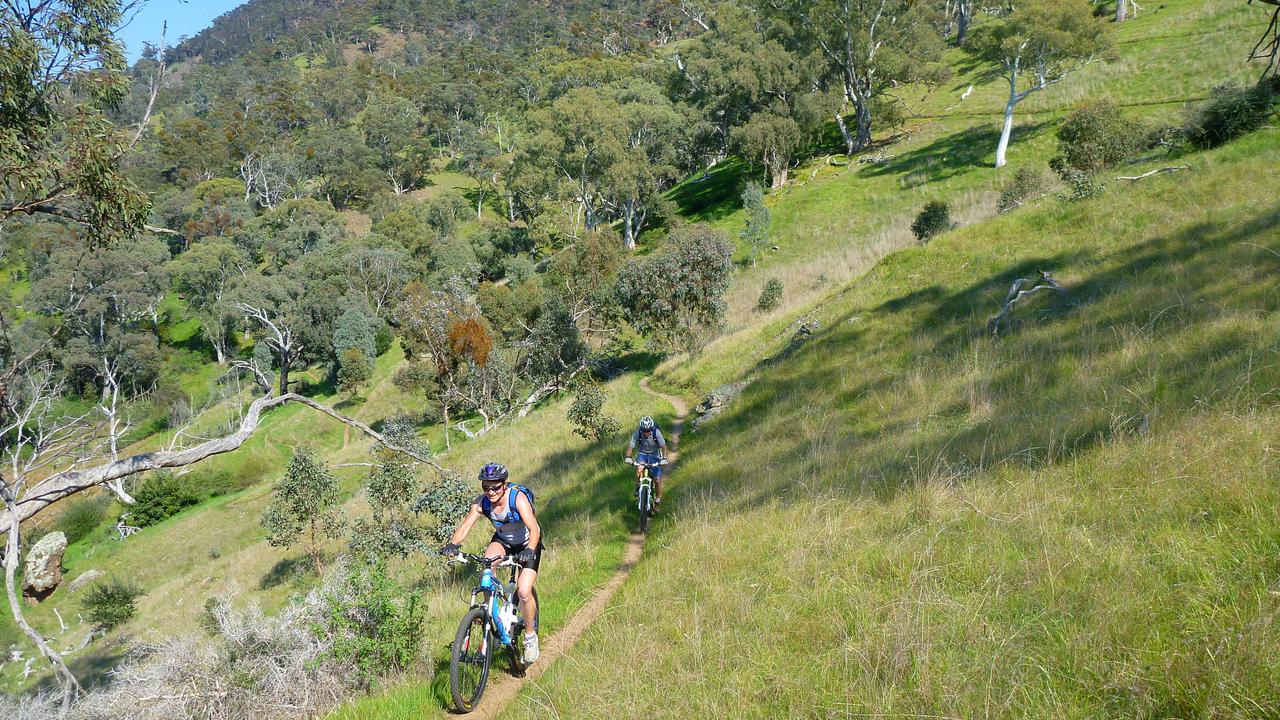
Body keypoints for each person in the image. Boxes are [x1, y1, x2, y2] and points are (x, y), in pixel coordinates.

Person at [440, 462, 543, 663]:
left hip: (528, 543)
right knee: (486, 568)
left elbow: (534, 529)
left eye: (495, 487)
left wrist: (530, 550)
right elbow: (465, 526)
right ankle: (490, 616)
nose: (491, 491)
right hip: (503, 540)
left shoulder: (517, 499)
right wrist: (452, 544)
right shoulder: (482, 503)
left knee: (523, 591)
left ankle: (530, 637)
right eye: (486, 487)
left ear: (504, 484)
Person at [624, 415, 668, 510]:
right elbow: (631, 447)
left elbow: (664, 447)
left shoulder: (657, 433)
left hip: (655, 455)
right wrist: (628, 457)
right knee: (639, 467)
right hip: (642, 454)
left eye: (648, 431)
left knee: (657, 479)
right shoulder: (638, 433)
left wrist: (664, 458)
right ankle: (638, 487)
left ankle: (657, 498)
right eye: (644, 431)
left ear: (652, 429)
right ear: (641, 429)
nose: (646, 433)